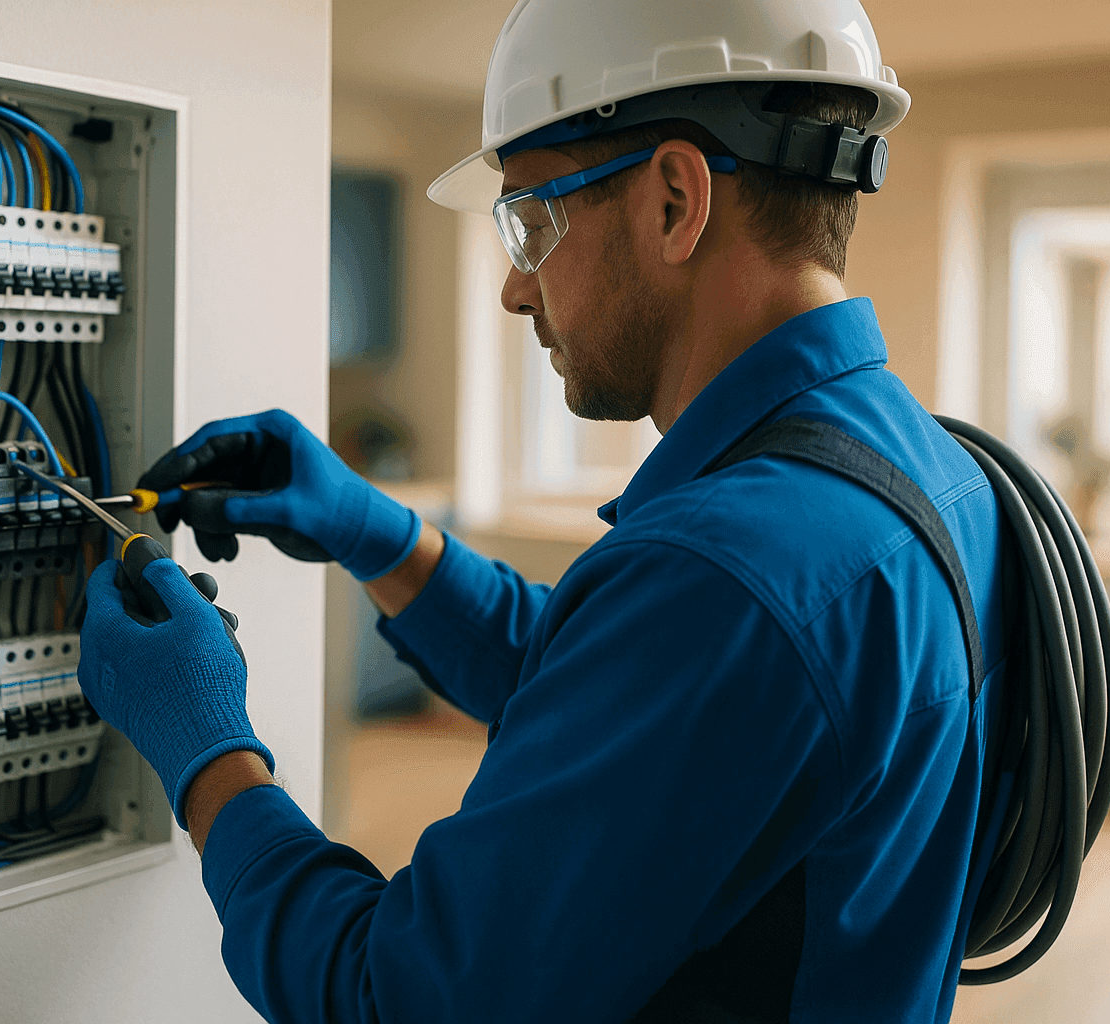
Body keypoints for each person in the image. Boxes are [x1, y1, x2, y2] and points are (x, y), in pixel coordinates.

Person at [78, 1, 1008, 1020]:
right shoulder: (923, 471)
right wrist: (376, 529)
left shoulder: (731, 572)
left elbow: (401, 995)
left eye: (532, 218)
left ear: (673, 200)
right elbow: (615, 705)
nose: (517, 289)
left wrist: (207, 747)